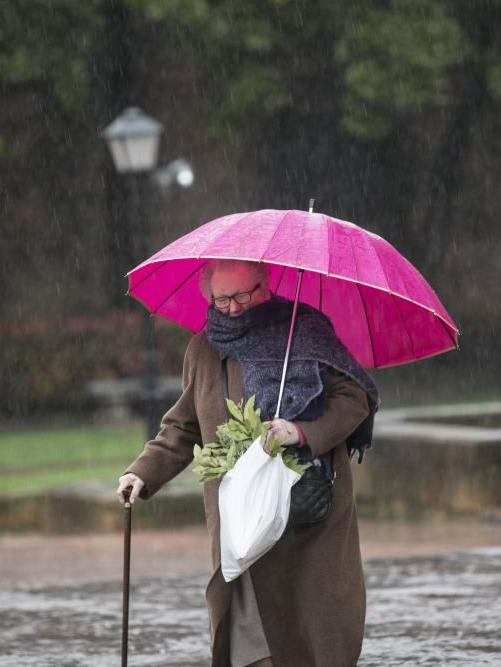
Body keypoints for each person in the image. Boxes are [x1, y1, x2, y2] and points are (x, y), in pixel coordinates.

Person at [117, 258, 379, 667]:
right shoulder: (203, 347)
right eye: (221, 299)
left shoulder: (304, 330)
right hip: (239, 519)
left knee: (312, 630)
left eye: (242, 295)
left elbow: (354, 399)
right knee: (246, 635)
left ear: (266, 285)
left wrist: (302, 432)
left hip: (307, 512)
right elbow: (183, 426)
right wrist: (141, 472)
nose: (233, 307)